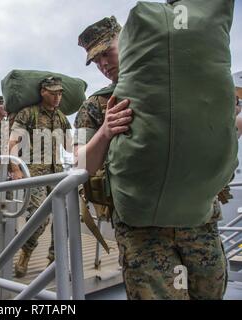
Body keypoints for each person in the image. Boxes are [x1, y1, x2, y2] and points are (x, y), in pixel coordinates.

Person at [76, 17, 228, 300]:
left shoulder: (178, 81)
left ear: (127, 41)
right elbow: (81, 165)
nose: (103, 64)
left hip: (197, 219)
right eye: (96, 61)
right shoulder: (96, 106)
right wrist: (106, 131)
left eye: (107, 53)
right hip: (141, 231)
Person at [10, 76, 71, 278]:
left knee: (64, 216)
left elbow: (71, 146)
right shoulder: (28, 114)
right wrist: (15, 168)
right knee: (39, 217)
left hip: (57, 173)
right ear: (43, 91)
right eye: (53, 93)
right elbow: (13, 142)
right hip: (35, 173)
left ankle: (55, 260)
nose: (57, 97)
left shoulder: (61, 117)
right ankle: (26, 253)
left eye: (60, 93)